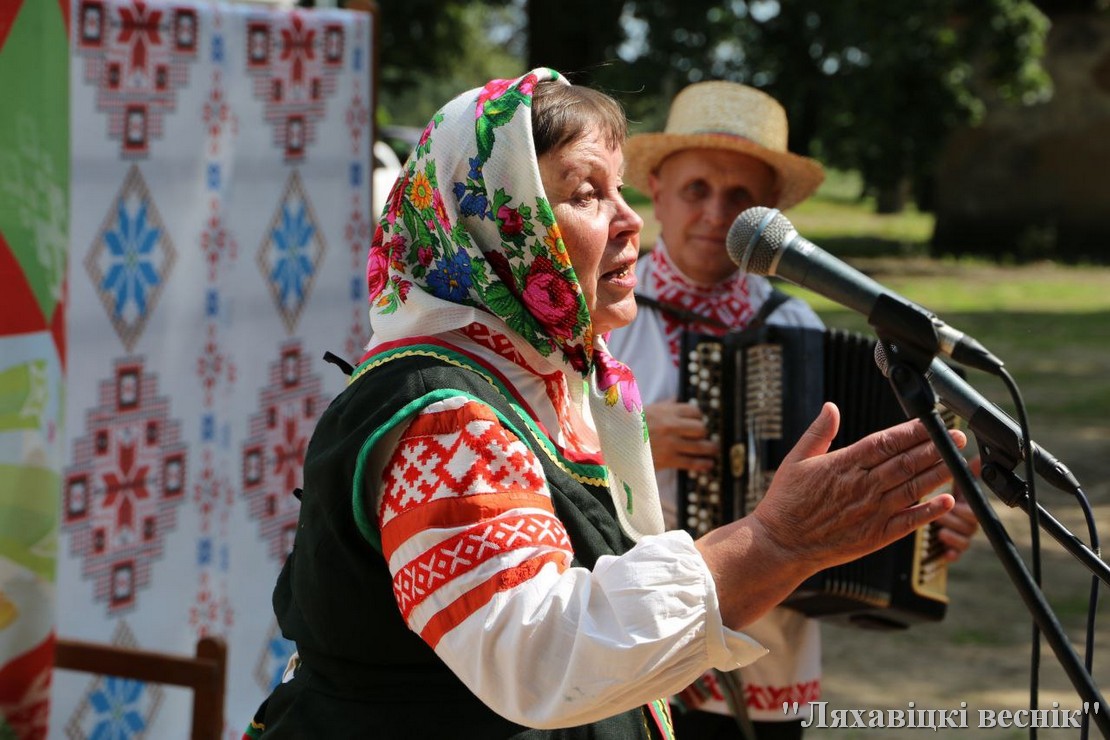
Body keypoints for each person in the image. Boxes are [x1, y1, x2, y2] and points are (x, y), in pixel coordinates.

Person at [245, 69, 966, 739]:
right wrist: (775, 545)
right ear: (497, 222)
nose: (629, 223)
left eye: (620, 192)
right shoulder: (443, 415)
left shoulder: (550, 378)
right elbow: (535, 655)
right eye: (585, 193)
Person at [608, 80, 981, 739]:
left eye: (740, 197)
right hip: (622, 634)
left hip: (765, 654)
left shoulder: (800, 330)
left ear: (771, 211)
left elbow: (850, 481)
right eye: (696, 189)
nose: (715, 213)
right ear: (657, 190)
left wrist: (923, 529)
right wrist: (629, 440)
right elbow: (532, 449)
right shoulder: (601, 313)